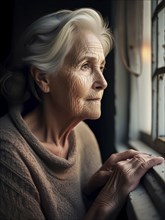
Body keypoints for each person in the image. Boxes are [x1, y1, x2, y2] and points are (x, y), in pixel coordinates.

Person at [0, 8, 164, 220]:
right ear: (43, 78)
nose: (102, 83)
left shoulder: (83, 135)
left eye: (101, 67)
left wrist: (89, 191)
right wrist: (108, 200)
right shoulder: (7, 156)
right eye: (85, 66)